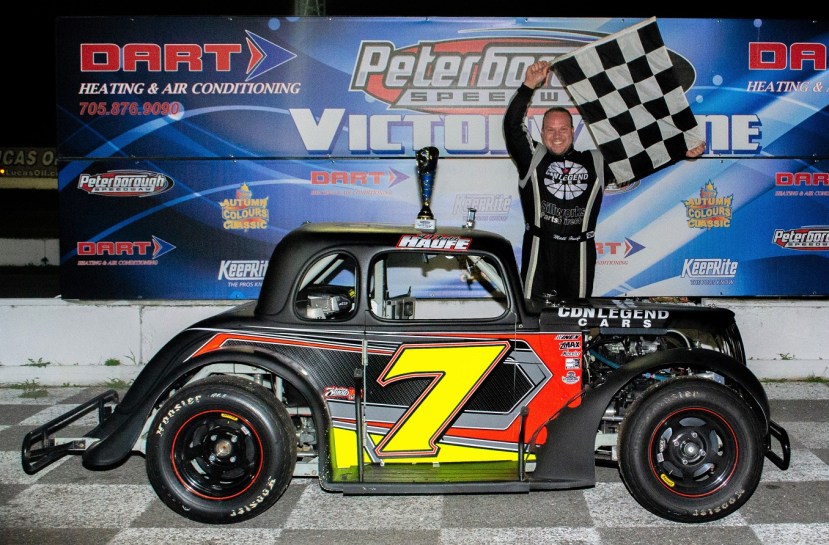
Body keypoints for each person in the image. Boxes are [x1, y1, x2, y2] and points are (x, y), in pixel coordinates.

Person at [504, 60, 705, 301]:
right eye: (550, 129)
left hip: (579, 254)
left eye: (563, 129)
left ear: (573, 131)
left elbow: (640, 161)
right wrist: (528, 86)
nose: (557, 135)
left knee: (576, 319)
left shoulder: (596, 161)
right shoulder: (532, 157)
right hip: (540, 252)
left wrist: (681, 151)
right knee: (534, 318)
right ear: (542, 132)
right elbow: (512, 125)